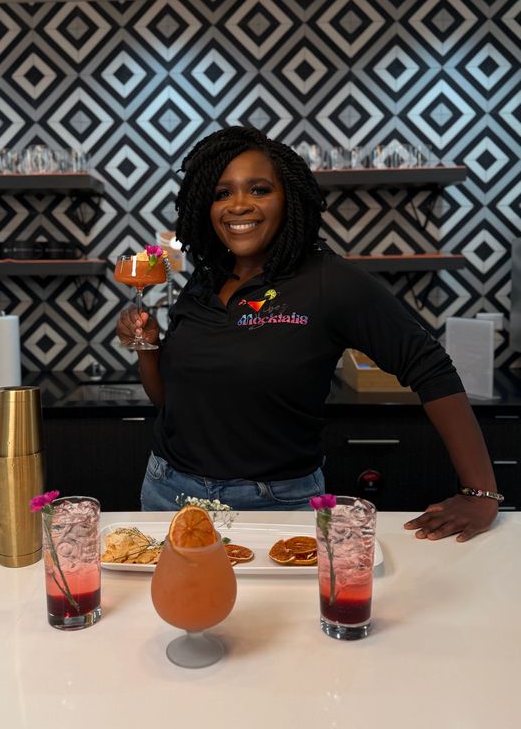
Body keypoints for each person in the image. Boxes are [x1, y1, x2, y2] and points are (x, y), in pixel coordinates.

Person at [116, 126, 500, 542]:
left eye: (259, 189)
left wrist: (480, 493)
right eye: (221, 194)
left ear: (289, 199)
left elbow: (430, 366)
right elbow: (171, 403)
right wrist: (149, 348)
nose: (238, 206)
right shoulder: (203, 284)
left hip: (276, 505)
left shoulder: (330, 282)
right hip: (169, 494)